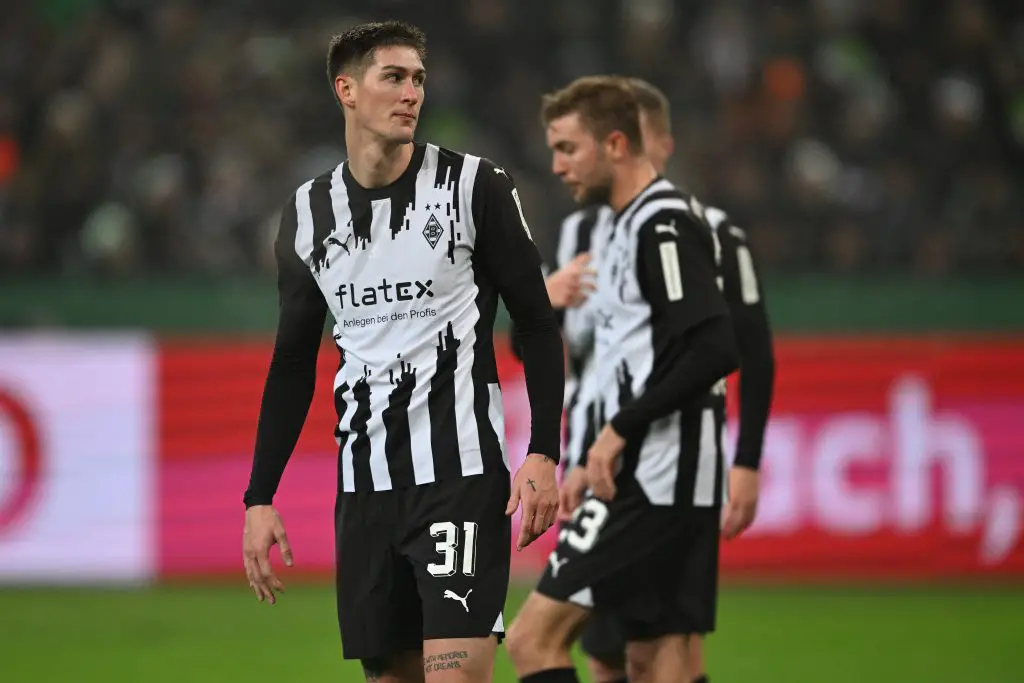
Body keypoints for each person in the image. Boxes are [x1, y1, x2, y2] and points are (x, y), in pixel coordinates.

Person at [240, 20, 565, 683]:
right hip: (365, 491)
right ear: (347, 90)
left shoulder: (475, 187)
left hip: (460, 482)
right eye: (393, 77)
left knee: (455, 674)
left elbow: (536, 322)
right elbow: (293, 362)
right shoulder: (307, 214)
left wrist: (542, 450)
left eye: (418, 79)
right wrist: (259, 496)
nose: (411, 92)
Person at [504, 76, 739, 683]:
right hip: (635, 469)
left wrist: (617, 432)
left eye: (567, 148)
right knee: (654, 659)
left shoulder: (663, 223)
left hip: (652, 475)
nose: (556, 166)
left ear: (614, 144)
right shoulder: (613, 228)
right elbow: (619, 359)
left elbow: (715, 346)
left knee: (532, 640)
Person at [555, 77, 777, 683]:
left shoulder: (706, 230)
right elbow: (547, 352)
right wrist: (545, 305)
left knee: (662, 648)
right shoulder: (583, 236)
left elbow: (745, 351)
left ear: (656, 145)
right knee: (607, 654)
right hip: (592, 459)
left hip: (665, 459)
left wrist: (747, 459)